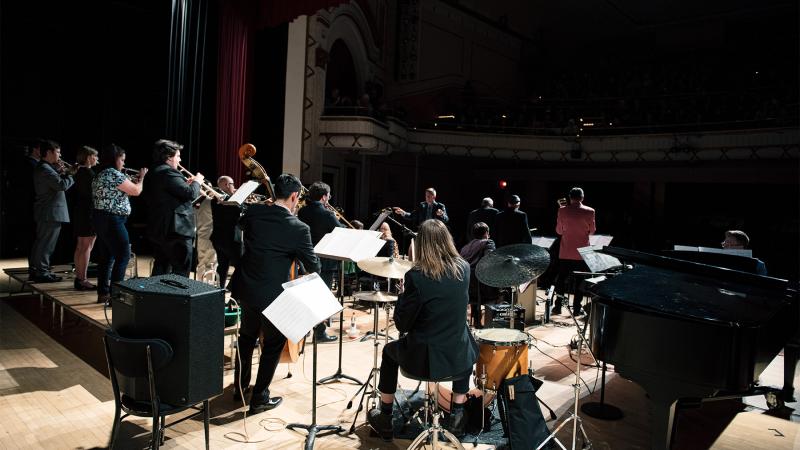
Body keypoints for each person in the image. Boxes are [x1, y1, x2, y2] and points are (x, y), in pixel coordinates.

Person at [367, 219, 478, 441]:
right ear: (448, 240)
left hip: (425, 359)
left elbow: (402, 324)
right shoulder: (464, 269)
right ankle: (456, 415)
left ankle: (386, 418)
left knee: (389, 352)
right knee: (463, 341)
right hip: (457, 356)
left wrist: (402, 296)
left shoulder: (416, 276)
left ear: (422, 244)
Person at [228, 174, 320, 414]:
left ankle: (239, 387)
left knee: (246, 338)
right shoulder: (299, 228)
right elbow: (313, 267)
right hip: (273, 297)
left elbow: (239, 229)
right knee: (273, 344)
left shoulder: (254, 213)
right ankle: (259, 398)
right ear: (293, 197)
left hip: (246, 288)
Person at [92, 144, 147, 303]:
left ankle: (103, 293)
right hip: (112, 219)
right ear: (114, 159)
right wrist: (141, 178)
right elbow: (136, 191)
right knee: (123, 256)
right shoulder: (112, 173)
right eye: (122, 160)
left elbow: (119, 195)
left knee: (106, 258)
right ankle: (116, 296)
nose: (124, 163)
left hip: (101, 218)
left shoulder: (100, 174)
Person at [143, 139, 202, 277]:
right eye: (178, 156)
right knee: (181, 270)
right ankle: (178, 298)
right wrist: (197, 182)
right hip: (176, 230)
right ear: (169, 157)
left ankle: (156, 297)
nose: (179, 160)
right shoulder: (168, 172)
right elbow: (190, 193)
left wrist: (185, 184)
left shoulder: (153, 172)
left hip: (160, 228)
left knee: (161, 267)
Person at [296, 181, 341, 342]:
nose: (329, 198)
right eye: (329, 195)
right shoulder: (328, 215)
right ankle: (320, 333)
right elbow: (340, 231)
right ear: (324, 197)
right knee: (321, 299)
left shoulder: (302, 212)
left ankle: (304, 330)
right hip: (325, 263)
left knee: (307, 296)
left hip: (305, 259)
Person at [29, 140, 74, 282]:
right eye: (58, 152)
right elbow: (61, 185)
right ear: (48, 152)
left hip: (48, 212)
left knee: (42, 243)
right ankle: (42, 273)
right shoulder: (45, 169)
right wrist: (70, 174)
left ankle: (38, 271)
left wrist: (60, 171)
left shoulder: (45, 168)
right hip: (50, 213)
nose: (60, 155)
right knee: (46, 245)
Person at [553, 187, 595, 316]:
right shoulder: (590, 211)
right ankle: (577, 309)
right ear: (582, 198)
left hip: (566, 251)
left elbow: (559, 231)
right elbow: (592, 231)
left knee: (561, 280)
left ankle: (558, 307)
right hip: (582, 253)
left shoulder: (562, 210)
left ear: (570, 197)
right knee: (580, 281)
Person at [460, 222, 499, 328]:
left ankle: (476, 320)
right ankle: (491, 324)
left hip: (466, 287)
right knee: (502, 290)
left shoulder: (465, 248)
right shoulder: (488, 242)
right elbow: (490, 261)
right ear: (486, 233)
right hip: (482, 288)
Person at [72, 145, 99, 290]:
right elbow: (94, 195)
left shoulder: (78, 171)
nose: (97, 159)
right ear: (89, 157)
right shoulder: (88, 173)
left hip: (80, 212)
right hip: (88, 212)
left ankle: (79, 278)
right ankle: (83, 280)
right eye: (95, 156)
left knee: (80, 246)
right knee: (87, 247)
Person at [210, 176, 242, 289]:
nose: (234, 186)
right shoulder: (220, 199)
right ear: (226, 185)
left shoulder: (217, 199)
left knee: (222, 266)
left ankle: (219, 289)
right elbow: (238, 211)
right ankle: (232, 290)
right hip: (230, 239)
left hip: (219, 238)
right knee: (241, 266)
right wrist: (241, 197)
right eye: (232, 183)